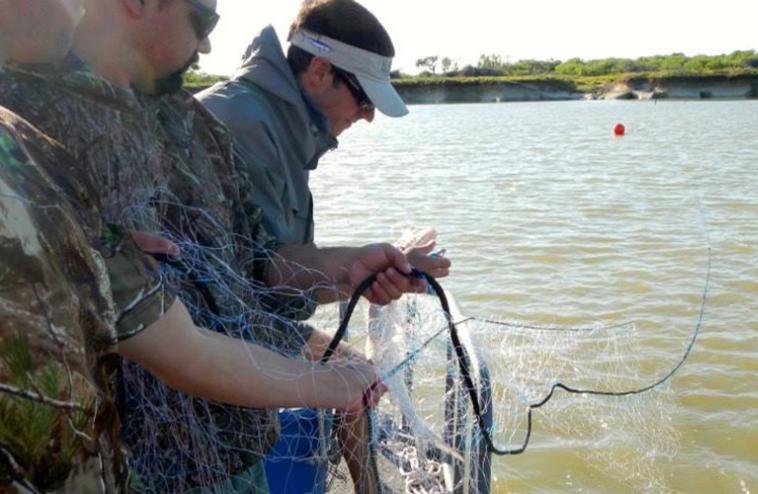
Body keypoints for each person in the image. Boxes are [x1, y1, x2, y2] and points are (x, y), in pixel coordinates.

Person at [0, 0, 425, 492]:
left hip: (238, 450)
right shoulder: (23, 124)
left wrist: (348, 266)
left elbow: (255, 262)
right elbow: (180, 352)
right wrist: (332, 383)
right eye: (201, 21)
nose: (206, 45)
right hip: (137, 469)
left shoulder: (197, 126)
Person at [199, 2, 450, 491]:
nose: (369, 116)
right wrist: (358, 265)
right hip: (205, 338)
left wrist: (371, 271)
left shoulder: (284, 129)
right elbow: (259, 276)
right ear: (319, 70)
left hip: (244, 321)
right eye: (364, 98)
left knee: (359, 375)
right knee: (355, 376)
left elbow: (277, 282)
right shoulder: (245, 122)